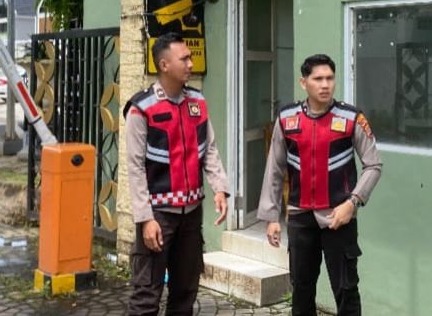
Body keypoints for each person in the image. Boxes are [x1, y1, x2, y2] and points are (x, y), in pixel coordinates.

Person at [258, 54, 382, 316]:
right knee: (301, 290)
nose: (325, 85)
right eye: (318, 79)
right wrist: (271, 217)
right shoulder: (287, 118)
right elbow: (274, 168)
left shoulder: (351, 118)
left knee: (346, 290)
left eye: (330, 78)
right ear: (304, 83)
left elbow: (374, 165)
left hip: (339, 217)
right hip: (300, 217)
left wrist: (353, 203)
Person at [123, 32, 230, 315]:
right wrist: (145, 219)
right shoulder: (141, 108)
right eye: (184, 59)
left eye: (190, 57)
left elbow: (209, 149)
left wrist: (220, 188)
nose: (191, 64)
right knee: (146, 296)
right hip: (158, 216)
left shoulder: (198, 101)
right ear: (164, 64)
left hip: (191, 215)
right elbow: (134, 168)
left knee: (185, 294)